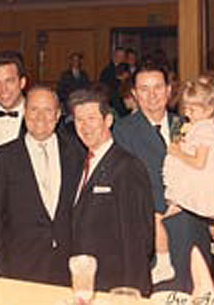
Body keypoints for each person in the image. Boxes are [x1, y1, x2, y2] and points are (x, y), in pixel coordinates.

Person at [113, 64, 211, 293]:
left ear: (169, 90)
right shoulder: (122, 131)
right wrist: (168, 204)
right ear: (134, 94)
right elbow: (127, 183)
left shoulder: (187, 124)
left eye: (158, 87)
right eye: (144, 89)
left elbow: (205, 171)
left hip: (192, 228)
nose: (152, 95)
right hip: (153, 235)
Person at [0, 86, 83, 286]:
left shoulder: (77, 152)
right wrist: (0, 275)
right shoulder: (3, 157)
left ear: (57, 115)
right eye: (34, 109)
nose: (40, 117)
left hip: (67, 269)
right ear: (24, 113)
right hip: (19, 268)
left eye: (47, 110)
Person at [156, 77, 214, 281]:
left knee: (160, 219)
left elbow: (199, 163)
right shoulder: (202, 125)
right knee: (210, 219)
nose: (188, 113)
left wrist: (177, 152)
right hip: (201, 182)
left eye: (193, 109)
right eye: (186, 108)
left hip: (200, 183)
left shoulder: (205, 129)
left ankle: (164, 262)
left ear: (209, 109)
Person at [70, 88, 154, 296]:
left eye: (91, 118)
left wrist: (132, 293)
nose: (84, 126)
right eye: (79, 120)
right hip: (86, 285)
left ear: (108, 120)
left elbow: (138, 240)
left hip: (115, 286)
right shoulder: (79, 164)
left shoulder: (127, 167)